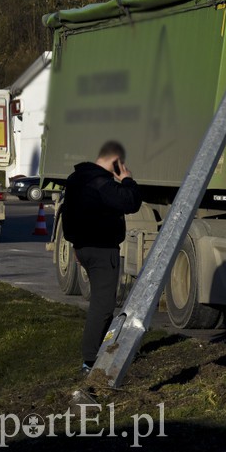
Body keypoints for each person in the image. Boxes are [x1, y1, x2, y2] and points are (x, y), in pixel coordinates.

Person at [62, 140, 142, 375]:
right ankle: (91, 360)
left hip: (84, 248)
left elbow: (69, 215)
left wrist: (77, 245)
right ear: (117, 162)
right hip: (102, 250)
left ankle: (99, 351)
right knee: (103, 305)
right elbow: (130, 202)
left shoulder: (76, 178)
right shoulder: (101, 182)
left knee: (101, 303)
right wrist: (127, 179)